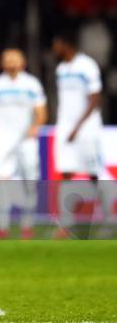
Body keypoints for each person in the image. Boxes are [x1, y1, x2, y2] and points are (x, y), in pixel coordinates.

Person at [0, 49, 47, 239]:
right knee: (2, 181)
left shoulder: (31, 84)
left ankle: (27, 225)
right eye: (7, 58)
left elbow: (41, 111)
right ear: (2, 63)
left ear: (23, 62)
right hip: (2, 139)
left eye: (15, 58)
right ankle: (3, 226)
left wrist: (36, 126)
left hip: (26, 139)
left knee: (30, 181)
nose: (11, 61)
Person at [52, 31, 109, 238]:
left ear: (66, 44)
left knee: (95, 173)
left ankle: (108, 220)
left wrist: (78, 127)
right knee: (66, 172)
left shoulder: (87, 65)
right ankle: (66, 225)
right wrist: (66, 126)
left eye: (56, 43)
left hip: (87, 128)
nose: (54, 48)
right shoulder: (61, 69)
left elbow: (95, 98)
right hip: (66, 128)